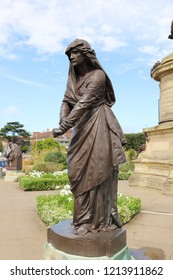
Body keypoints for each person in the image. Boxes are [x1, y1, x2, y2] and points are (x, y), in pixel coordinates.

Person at [53, 39, 126, 236]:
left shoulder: (98, 76)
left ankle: (94, 221)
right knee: (77, 170)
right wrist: (63, 119)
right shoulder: (74, 80)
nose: (72, 57)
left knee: (97, 171)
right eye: (70, 55)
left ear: (86, 54)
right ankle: (81, 219)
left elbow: (84, 103)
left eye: (75, 53)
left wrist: (64, 127)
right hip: (81, 128)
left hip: (99, 125)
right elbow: (66, 102)